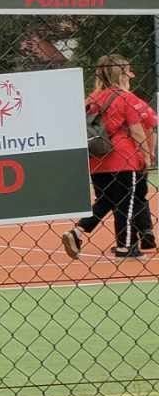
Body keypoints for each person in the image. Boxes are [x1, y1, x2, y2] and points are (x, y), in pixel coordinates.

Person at [63, 54, 156, 261]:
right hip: (123, 158)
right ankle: (126, 247)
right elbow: (137, 131)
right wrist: (147, 156)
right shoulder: (126, 98)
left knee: (106, 200)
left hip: (97, 158)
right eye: (128, 72)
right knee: (126, 203)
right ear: (122, 74)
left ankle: (78, 231)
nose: (131, 76)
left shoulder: (91, 100)